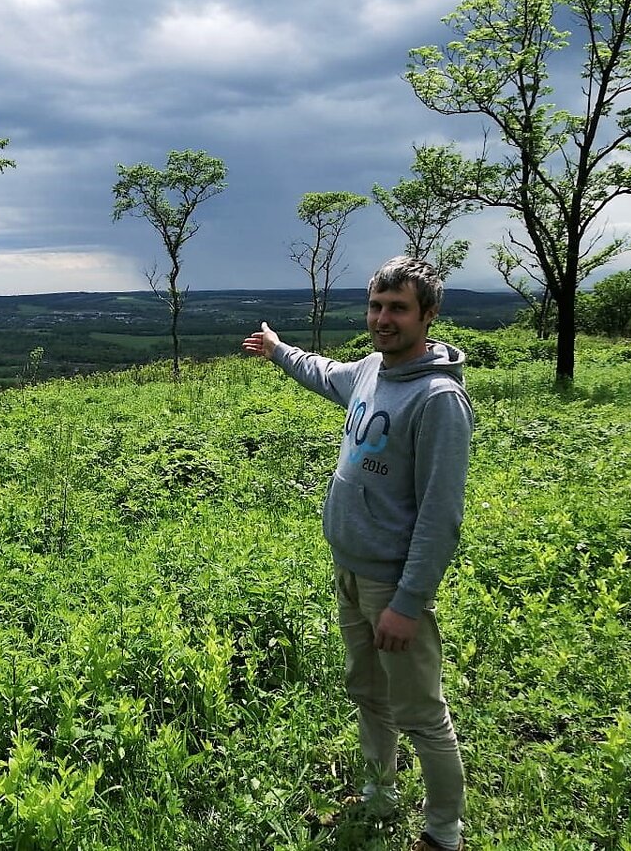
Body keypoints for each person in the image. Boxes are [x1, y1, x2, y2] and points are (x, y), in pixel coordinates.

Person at [242, 256, 472, 851]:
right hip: (350, 569)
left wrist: (407, 602)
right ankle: (379, 795)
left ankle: (444, 832)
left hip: (392, 587)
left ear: (428, 313)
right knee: (368, 693)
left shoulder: (438, 399)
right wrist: (278, 348)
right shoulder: (371, 370)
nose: (382, 319)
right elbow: (324, 373)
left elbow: (440, 517)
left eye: (398, 307)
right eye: (376, 305)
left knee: (421, 713)